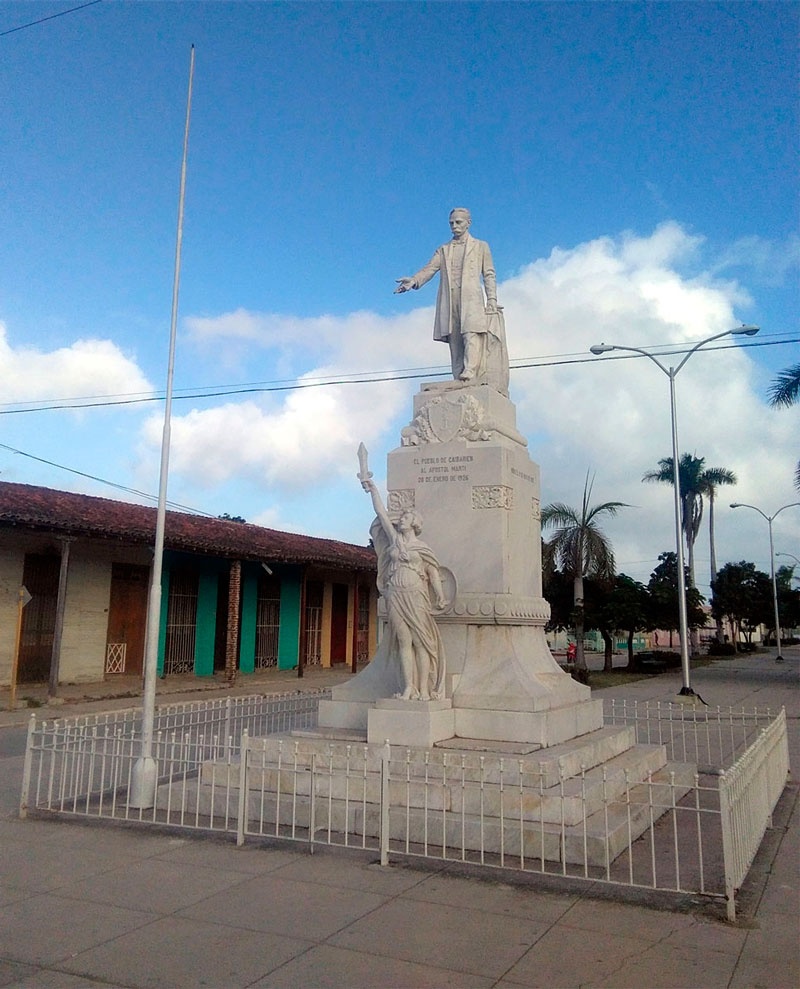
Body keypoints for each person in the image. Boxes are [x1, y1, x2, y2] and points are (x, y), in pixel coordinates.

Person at [361, 477, 447, 700]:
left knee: (420, 641)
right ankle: (409, 687)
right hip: (395, 593)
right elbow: (381, 513)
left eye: (406, 516)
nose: (401, 519)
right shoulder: (395, 540)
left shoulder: (422, 548)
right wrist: (373, 490)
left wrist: (439, 595)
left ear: (415, 523)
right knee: (403, 641)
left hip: (416, 594)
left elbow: (433, 573)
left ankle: (425, 689)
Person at [395, 208, 499, 383]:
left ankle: (470, 371)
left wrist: (492, 299)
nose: (454, 226)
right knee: (455, 338)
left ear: (468, 223)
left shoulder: (481, 246)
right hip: (450, 300)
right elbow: (430, 269)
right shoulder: (444, 249)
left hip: (472, 299)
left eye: (458, 222)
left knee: (471, 334)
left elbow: (489, 274)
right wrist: (413, 280)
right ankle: (459, 375)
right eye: (451, 223)